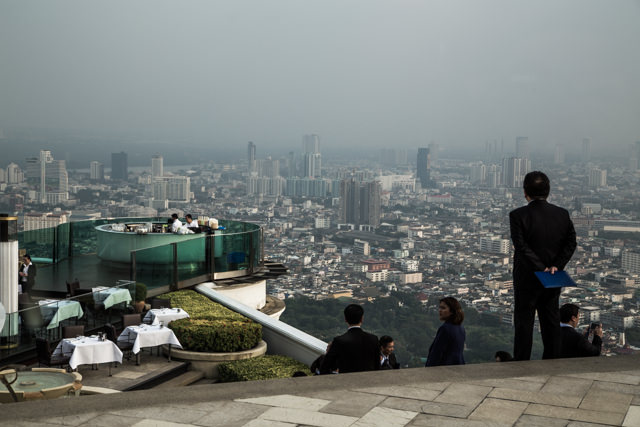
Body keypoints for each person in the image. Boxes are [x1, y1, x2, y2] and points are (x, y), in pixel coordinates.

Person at [510, 171, 577, 361]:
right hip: (553, 277)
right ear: (548, 191)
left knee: (524, 323)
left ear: (525, 192)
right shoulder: (562, 214)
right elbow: (571, 243)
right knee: (551, 321)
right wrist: (555, 265)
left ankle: (522, 363)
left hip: (527, 278)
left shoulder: (517, 215)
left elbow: (521, 247)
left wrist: (540, 267)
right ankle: (552, 362)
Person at [320, 304, 379, 374]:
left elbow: (325, 367)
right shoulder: (373, 339)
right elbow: (378, 365)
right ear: (362, 319)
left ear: (345, 319)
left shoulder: (339, 341)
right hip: (370, 381)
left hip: (347, 382)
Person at [425, 297, 465, 367]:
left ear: (452, 311)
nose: (440, 310)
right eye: (440, 308)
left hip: (445, 369)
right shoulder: (461, 328)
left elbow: (436, 353)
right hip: (459, 366)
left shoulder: (445, 328)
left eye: (443, 308)